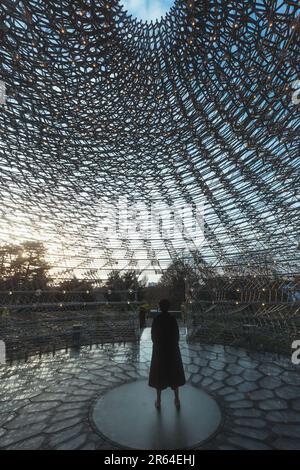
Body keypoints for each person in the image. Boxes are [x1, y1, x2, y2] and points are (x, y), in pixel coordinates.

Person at [148, 299, 186, 409]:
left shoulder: (157, 319)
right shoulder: (172, 319)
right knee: (174, 374)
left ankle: (159, 400)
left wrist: (158, 345)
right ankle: (177, 399)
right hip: (172, 351)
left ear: (160, 307)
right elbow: (177, 336)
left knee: (159, 375)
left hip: (160, 352)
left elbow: (153, 336)